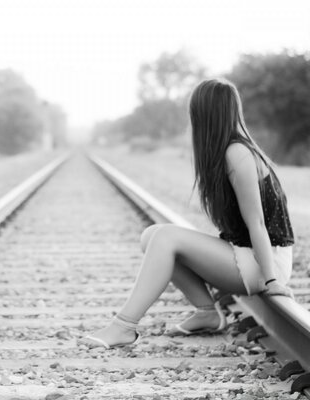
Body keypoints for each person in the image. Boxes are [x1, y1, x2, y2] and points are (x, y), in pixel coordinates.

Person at [79, 78, 295, 349]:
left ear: (204, 116)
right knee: (152, 236)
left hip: (265, 260)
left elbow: (258, 223)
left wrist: (272, 279)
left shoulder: (238, 154)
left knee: (166, 237)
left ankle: (124, 326)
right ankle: (207, 312)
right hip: (248, 253)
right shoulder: (227, 151)